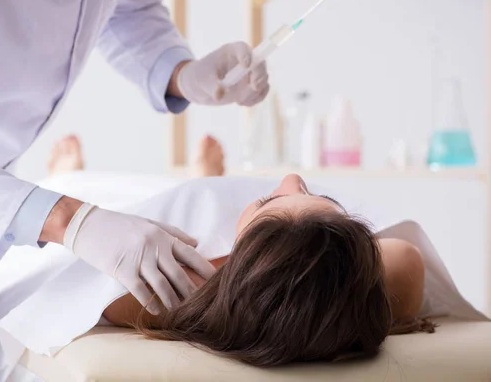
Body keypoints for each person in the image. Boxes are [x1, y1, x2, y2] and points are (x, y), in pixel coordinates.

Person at [0, 0, 271, 381]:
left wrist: (179, 73)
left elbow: (126, 3)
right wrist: (70, 220)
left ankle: (72, 177)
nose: (294, 179)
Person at [37, 135, 433, 366]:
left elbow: (75, 291)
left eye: (264, 200)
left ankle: (68, 178)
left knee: (115, 197)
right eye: (317, 195)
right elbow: (404, 255)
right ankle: (208, 181)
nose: (292, 177)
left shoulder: (156, 296)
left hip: (145, 218)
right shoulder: (391, 273)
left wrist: (223, 270)